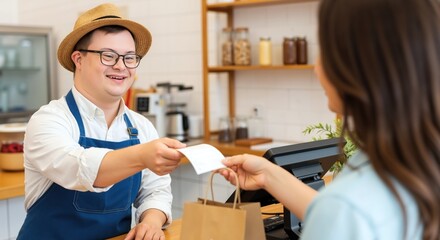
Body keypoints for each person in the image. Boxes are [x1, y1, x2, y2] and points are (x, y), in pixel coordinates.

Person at [219, 0, 440, 239]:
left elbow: (341, 215)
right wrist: (268, 175)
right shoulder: (419, 159)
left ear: (356, 66)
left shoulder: (346, 209)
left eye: (324, 50)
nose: (317, 68)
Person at [18, 3, 186, 240]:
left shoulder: (141, 127)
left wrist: (151, 220)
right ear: (79, 59)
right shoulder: (49, 120)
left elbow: (155, 190)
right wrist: (141, 156)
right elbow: (80, 168)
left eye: (129, 57)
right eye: (108, 56)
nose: (121, 66)